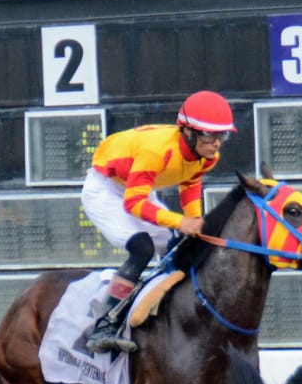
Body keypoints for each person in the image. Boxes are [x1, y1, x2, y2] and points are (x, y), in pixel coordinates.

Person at [81, 90, 237, 353]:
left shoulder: (208, 156)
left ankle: (173, 315)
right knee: (142, 247)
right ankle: (104, 326)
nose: (217, 143)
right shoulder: (156, 151)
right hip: (105, 189)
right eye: (210, 135)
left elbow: (190, 180)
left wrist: (193, 218)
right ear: (187, 131)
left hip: (138, 188)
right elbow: (133, 204)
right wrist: (179, 221)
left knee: (180, 246)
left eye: (222, 135)